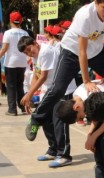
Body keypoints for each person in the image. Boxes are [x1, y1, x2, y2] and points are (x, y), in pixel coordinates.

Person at [25, 0, 104, 142]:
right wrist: (86, 81)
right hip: (72, 50)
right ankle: (36, 119)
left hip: (97, 51)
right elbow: (82, 52)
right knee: (58, 89)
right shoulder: (85, 15)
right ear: (96, 3)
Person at [18, 36, 76, 168]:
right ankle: (53, 149)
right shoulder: (36, 55)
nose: (29, 53)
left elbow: (43, 76)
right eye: (26, 53)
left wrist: (29, 94)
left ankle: (64, 155)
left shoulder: (45, 51)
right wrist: (31, 95)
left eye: (29, 49)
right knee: (46, 120)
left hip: (62, 89)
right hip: (49, 90)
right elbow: (36, 75)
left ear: (34, 43)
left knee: (59, 121)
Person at [0, 11, 29, 116]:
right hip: (22, 62)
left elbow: (3, 49)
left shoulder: (8, 33)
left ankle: (12, 109)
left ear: (11, 21)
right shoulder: (25, 33)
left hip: (11, 63)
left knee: (11, 86)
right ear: (20, 21)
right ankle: (22, 107)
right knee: (19, 86)